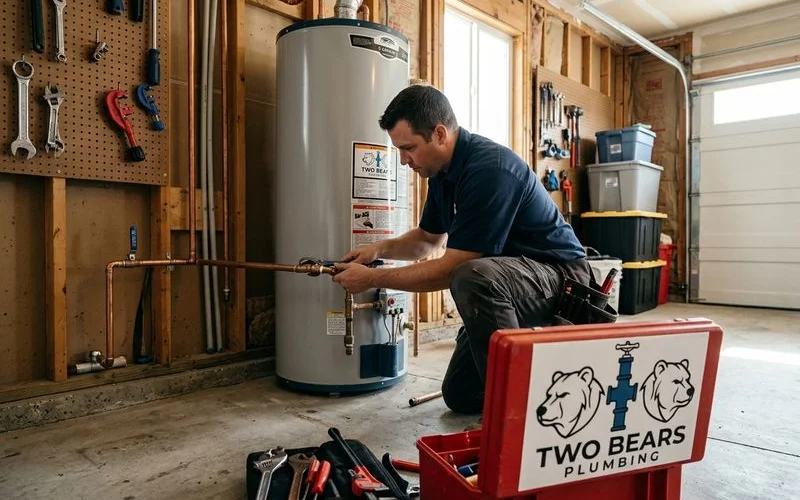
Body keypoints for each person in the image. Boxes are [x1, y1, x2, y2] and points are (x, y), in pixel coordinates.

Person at [332, 84, 592, 415]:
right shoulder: (441, 175)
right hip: (512, 281)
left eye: (409, 148)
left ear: (439, 134)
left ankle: (519, 410)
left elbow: (452, 269)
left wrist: (372, 279)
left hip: (563, 281)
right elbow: (427, 239)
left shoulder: (490, 169)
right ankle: (526, 378)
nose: (404, 160)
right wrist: (377, 249)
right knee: (461, 394)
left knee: (471, 276)